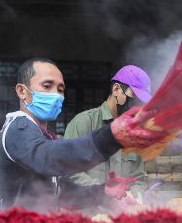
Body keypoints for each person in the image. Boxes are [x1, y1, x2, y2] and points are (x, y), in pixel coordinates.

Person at [0, 58, 163, 211]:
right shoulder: (17, 128)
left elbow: (62, 193)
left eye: (60, 90)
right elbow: (49, 158)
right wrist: (111, 136)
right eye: (47, 86)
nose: (56, 95)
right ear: (22, 91)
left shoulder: (42, 134)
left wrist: (103, 193)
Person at [64, 65, 151, 196]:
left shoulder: (133, 134)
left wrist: (135, 197)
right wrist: (104, 194)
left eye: (141, 101)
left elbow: (137, 180)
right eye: (134, 97)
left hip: (122, 213)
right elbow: (69, 170)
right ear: (116, 89)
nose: (137, 105)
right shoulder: (83, 123)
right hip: (88, 212)